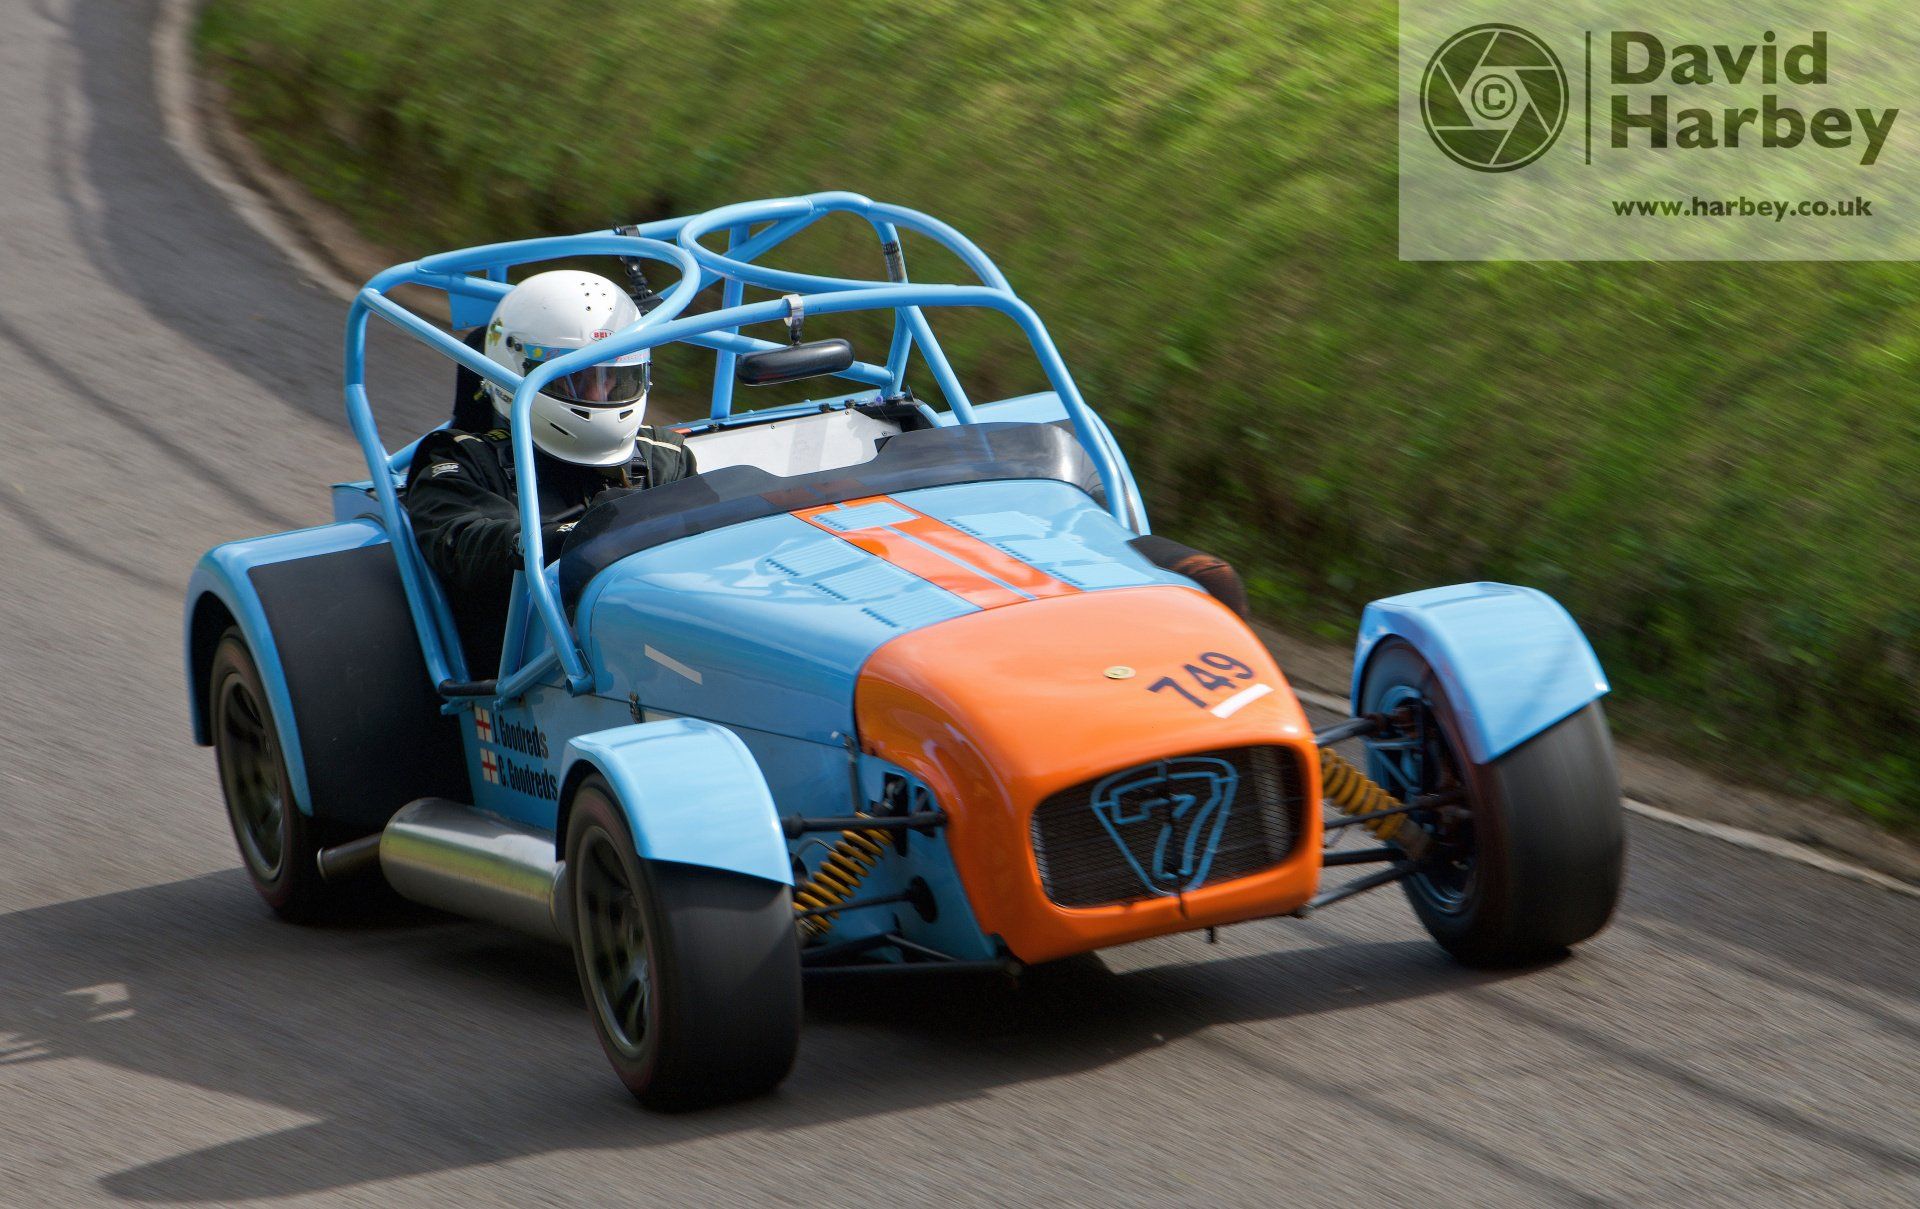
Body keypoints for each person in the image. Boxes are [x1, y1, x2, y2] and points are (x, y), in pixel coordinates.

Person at [407, 269, 694, 674]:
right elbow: (470, 547)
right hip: (541, 678)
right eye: (574, 379)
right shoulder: (461, 461)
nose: (597, 394)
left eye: (613, 377)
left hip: (657, 648)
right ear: (514, 371)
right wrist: (582, 534)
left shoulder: (665, 456)